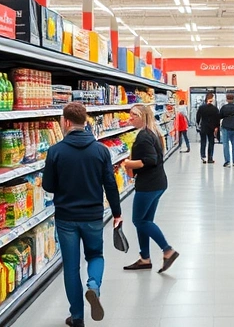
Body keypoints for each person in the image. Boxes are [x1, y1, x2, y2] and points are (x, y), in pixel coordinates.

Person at [42, 102, 122, 326]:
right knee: (95, 255)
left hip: (66, 217)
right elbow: (110, 184)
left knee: (71, 266)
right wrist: (117, 213)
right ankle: (94, 286)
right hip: (93, 216)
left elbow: (48, 186)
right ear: (85, 121)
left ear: (66, 122)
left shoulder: (55, 151)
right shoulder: (101, 150)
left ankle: (77, 317)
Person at [121, 104, 180, 273]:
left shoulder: (144, 136)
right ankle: (145, 258)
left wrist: (127, 163)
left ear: (143, 117)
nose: (130, 118)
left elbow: (150, 160)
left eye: (134, 115)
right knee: (145, 221)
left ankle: (167, 250)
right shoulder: (151, 133)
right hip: (157, 183)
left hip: (149, 185)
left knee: (139, 221)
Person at [218, 93, 234, 167]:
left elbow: (220, 116)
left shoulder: (224, 107)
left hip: (226, 127)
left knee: (225, 145)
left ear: (226, 99)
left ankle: (227, 161)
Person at [195, 94, 220, 164]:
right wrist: (216, 127)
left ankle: (203, 157)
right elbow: (217, 119)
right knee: (211, 143)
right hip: (211, 128)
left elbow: (198, 118)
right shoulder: (215, 109)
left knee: (203, 142)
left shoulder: (201, 107)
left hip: (203, 127)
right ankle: (210, 158)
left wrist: (198, 125)